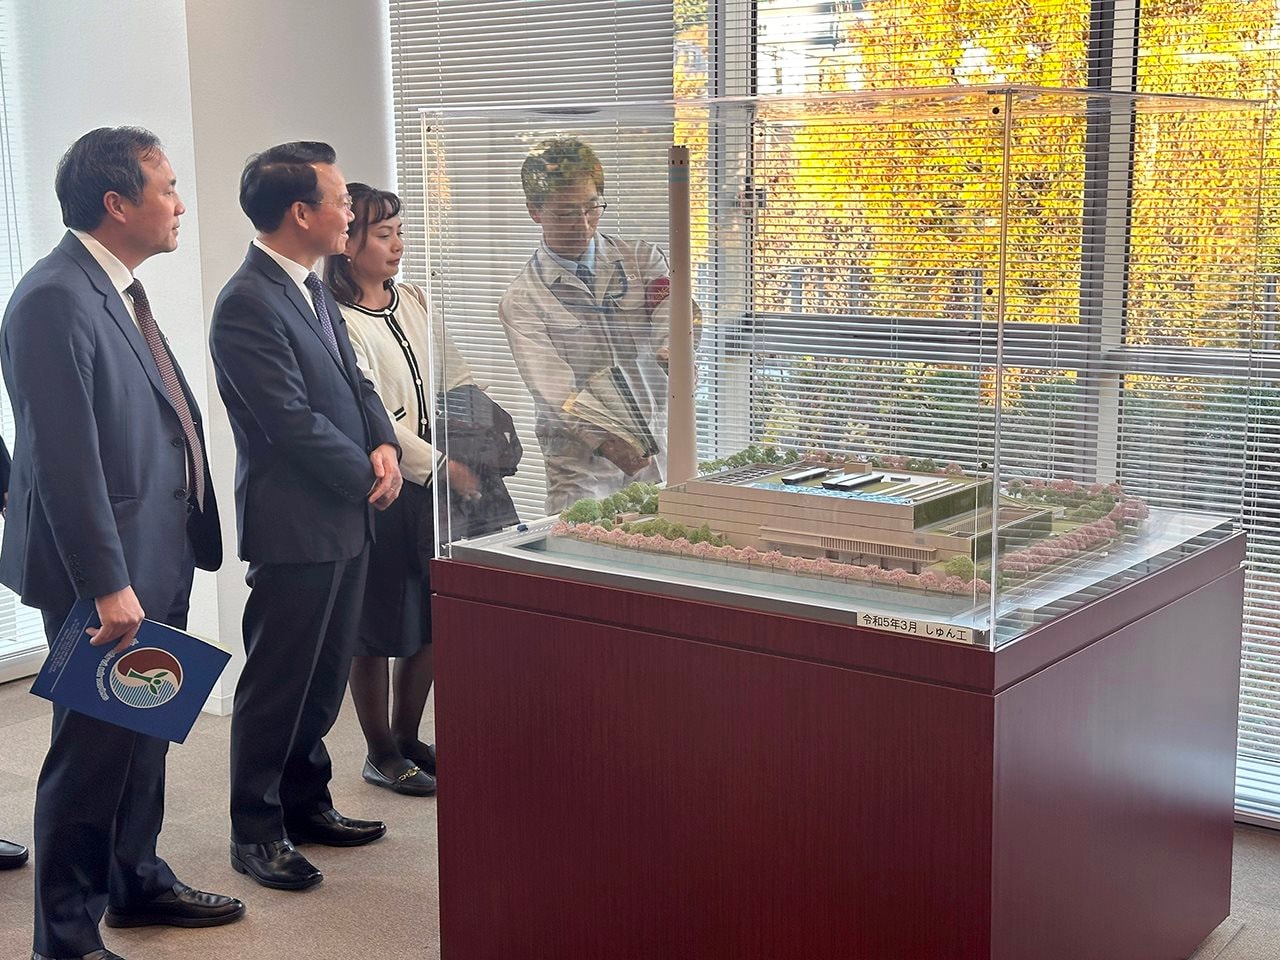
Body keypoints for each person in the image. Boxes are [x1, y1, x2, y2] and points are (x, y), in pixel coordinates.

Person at [0, 127, 241, 960]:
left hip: (156, 550)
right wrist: (106, 583)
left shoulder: (116, 288)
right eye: (167, 188)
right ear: (117, 203)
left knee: (141, 735)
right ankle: (65, 938)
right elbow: (63, 462)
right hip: (104, 571)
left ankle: (136, 879)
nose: (180, 205)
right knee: (91, 758)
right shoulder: (53, 298)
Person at [210, 143, 403, 892]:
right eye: (341, 201)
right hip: (296, 524)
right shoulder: (247, 301)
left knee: (321, 679)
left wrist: (383, 443)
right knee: (279, 684)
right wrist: (366, 474)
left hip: (345, 516)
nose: (351, 212)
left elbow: (355, 384)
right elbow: (288, 421)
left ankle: (306, 804)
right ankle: (255, 832)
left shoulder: (311, 286)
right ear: (301, 213)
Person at [324, 184, 521, 797]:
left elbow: (455, 381)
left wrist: (488, 440)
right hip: (388, 486)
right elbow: (370, 418)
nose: (397, 246)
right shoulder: (336, 318)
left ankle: (409, 739)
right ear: (347, 242)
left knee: (433, 616)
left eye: (400, 233)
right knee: (377, 626)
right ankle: (379, 751)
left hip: (445, 476)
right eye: (384, 235)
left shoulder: (412, 299)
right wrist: (442, 468)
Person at [499, 136, 696, 513]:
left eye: (592, 208)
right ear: (535, 211)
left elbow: (674, 312)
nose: (583, 224)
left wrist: (674, 350)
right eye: (565, 213)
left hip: (657, 446)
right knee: (583, 544)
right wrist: (605, 441)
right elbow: (553, 389)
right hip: (582, 466)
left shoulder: (641, 259)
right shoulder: (523, 300)